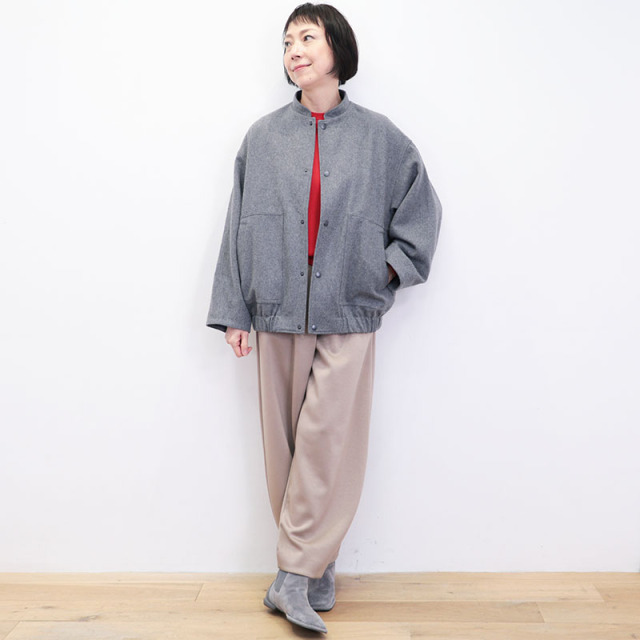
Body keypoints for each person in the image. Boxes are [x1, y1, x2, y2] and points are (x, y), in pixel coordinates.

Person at [206, 2, 442, 633]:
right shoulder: (262, 138)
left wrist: (383, 273)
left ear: (337, 47)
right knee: (285, 449)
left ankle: (290, 578)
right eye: (287, 41)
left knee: (326, 441)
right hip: (276, 309)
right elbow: (236, 227)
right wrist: (234, 311)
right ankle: (317, 568)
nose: (295, 50)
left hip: (347, 311)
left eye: (307, 37)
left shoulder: (381, 138)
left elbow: (421, 213)